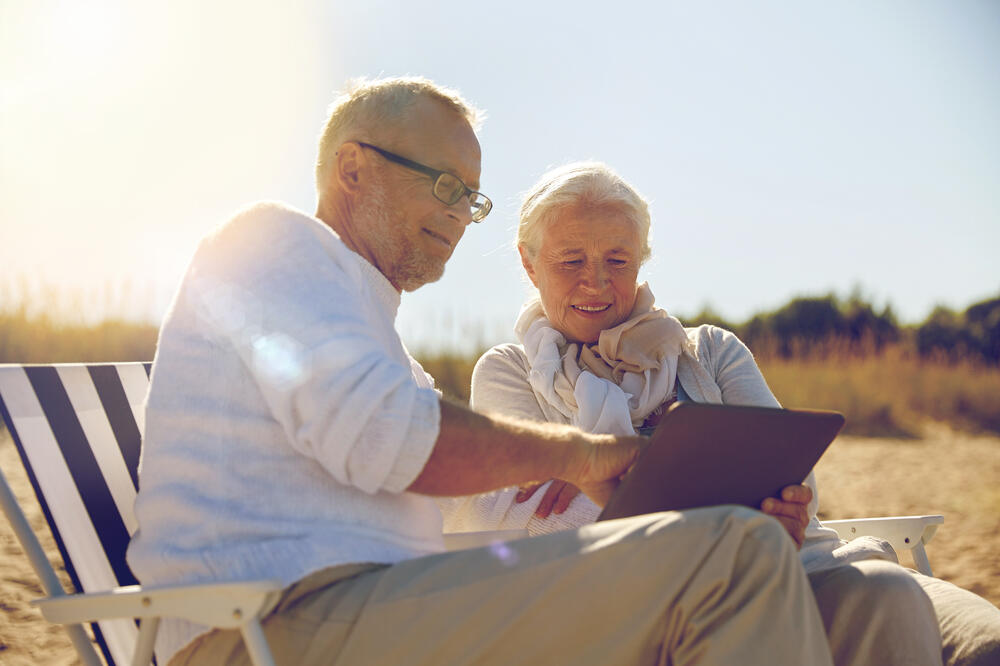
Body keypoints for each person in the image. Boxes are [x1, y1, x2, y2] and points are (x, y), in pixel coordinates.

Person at [126, 77, 836, 665]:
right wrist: (591, 454)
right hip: (274, 626)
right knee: (734, 555)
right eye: (444, 185)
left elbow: (412, 460)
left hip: (382, 612)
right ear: (353, 169)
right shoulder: (269, 242)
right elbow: (392, 438)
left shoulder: (376, 337)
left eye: (472, 196)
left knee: (738, 569)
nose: (462, 215)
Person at [447, 160, 1000, 666]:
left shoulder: (710, 350)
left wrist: (781, 505)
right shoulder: (510, 372)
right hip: (642, 601)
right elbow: (520, 516)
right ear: (529, 263)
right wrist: (724, 522)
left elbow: (793, 474)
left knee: (943, 620)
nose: (596, 281)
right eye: (571, 260)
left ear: (641, 261)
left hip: (796, 562)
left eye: (618, 260)